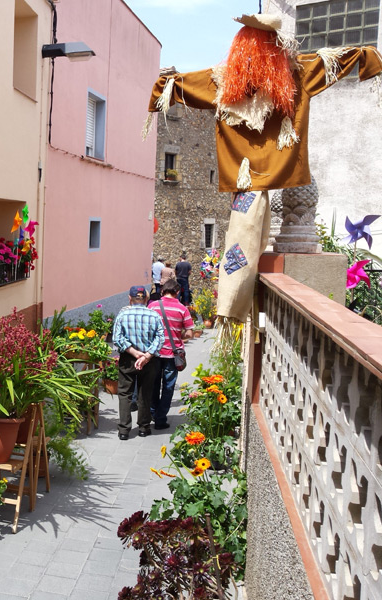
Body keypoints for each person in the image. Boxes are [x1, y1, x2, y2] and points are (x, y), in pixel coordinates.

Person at [147, 13, 381, 324]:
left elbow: (174, 86)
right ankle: (236, 312)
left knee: (241, 238)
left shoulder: (221, 80)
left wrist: (169, 81)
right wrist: (368, 57)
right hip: (271, 174)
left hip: (246, 185)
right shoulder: (297, 73)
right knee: (246, 237)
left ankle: (231, 311)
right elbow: (345, 60)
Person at [112, 285, 164, 440]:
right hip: (149, 361)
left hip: (128, 358)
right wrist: (147, 356)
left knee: (125, 393)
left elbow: (116, 338)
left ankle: (124, 430)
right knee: (145, 393)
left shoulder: (123, 314)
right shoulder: (154, 315)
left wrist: (134, 352)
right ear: (146, 298)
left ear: (130, 298)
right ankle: (143, 427)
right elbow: (160, 338)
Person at [148, 280, 194, 430]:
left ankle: (153, 412)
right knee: (168, 386)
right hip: (173, 354)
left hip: (153, 353)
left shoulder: (152, 306)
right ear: (178, 292)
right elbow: (189, 333)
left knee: (154, 385)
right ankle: (161, 418)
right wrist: (178, 334)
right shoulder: (182, 309)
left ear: (162, 291)